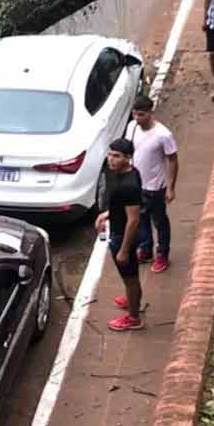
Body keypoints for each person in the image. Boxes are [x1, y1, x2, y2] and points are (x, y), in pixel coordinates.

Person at [96, 138, 144, 332]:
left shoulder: (129, 184)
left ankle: (134, 318)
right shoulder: (126, 173)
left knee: (131, 279)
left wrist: (124, 249)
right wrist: (106, 214)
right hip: (116, 229)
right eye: (110, 154)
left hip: (123, 236)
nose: (111, 159)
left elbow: (133, 220)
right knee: (129, 278)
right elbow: (121, 206)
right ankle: (131, 299)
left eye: (116, 156)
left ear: (128, 158)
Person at [129, 95, 178, 274]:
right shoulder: (132, 127)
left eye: (141, 115)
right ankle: (146, 248)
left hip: (156, 186)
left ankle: (162, 254)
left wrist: (171, 187)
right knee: (140, 218)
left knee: (159, 221)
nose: (137, 118)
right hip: (137, 184)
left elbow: (172, 160)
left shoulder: (163, 135)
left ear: (151, 113)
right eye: (135, 114)